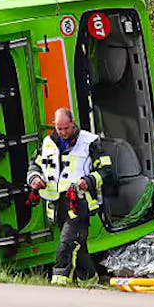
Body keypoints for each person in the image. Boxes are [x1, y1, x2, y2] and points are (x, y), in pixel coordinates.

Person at [27, 107, 113, 285]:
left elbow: (106, 170)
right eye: (59, 129)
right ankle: (91, 281)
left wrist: (88, 181)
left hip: (79, 204)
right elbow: (34, 165)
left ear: (73, 123)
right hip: (58, 206)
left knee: (66, 245)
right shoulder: (48, 143)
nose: (63, 133)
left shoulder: (90, 142)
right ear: (54, 125)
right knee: (79, 249)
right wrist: (35, 178)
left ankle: (59, 283)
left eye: (66, 128)